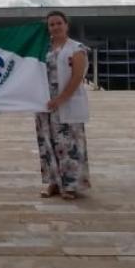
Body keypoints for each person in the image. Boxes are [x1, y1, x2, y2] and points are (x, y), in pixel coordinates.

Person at [36, 10, 91, 200]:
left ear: (66, 25)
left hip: (66, 101)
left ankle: (71, 185)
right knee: (48, 142)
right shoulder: (43, 49)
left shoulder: (77, 49)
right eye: (51, 24)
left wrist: (60, 99)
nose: (55, 27)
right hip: (45, 104)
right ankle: (53, 182)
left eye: (59, 23)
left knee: (69, 144)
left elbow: (77, 78)